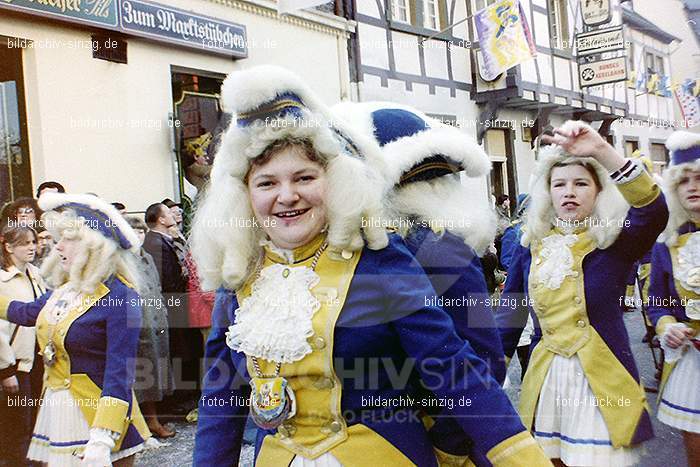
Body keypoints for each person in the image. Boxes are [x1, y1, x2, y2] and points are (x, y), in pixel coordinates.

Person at [191, 65, 550, 467]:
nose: (287, 196)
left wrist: (521, 459)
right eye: (267, 183)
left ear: (336, 179)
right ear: (244, 195)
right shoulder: (239, 275)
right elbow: (221, 398)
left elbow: (454, 369)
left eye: (305, 177)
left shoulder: (381, 258)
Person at [333, 101, 514, 465]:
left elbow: (484, 359)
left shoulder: (440, 250)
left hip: (433, 434)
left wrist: (449, 443)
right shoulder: (379, 248)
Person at [497, 121, 668, 466]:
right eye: (559, 184)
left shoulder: (616, 241)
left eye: (580, 183)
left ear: (598, 191)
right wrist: (488, 371)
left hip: (603, 380)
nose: (569, 192)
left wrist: (603, 152)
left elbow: (653, 211)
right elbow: (510, 313)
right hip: (547, 378)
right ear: (548, 192)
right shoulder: (527, 245)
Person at [0, 193, 151, 466]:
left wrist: (103, 438)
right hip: (58, 409)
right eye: (58, 240)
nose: (57, 248)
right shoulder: (66, 289)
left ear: (95, 245)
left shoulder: (121, 296)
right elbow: (24, 313)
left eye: (67, 240)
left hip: (98, 415)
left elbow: (120, 372)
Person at [647, 131, 700, 466]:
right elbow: (657, 301)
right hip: (692, 361)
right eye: (684, 181)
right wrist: (668, 327)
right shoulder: (666, 242)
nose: (692, 186)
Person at [126, 217, 176, 439]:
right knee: (141, 376)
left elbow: (156, 289)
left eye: (141, 232)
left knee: (155, 373)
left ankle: (153, 421)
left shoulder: (147, 259)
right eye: (133, 232)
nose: (138, 236)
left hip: (156, 323)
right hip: (138, 325)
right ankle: (145, 424)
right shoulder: (124, 261)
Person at [0, 224, 46, 466]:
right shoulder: (3, 280)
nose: (31, 247)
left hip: (39, 359)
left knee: (39, 423)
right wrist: (5, 370)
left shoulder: (35, 274)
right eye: (24, 243)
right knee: (18, 426)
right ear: (8, 247)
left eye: (33, 242)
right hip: (16, 364)